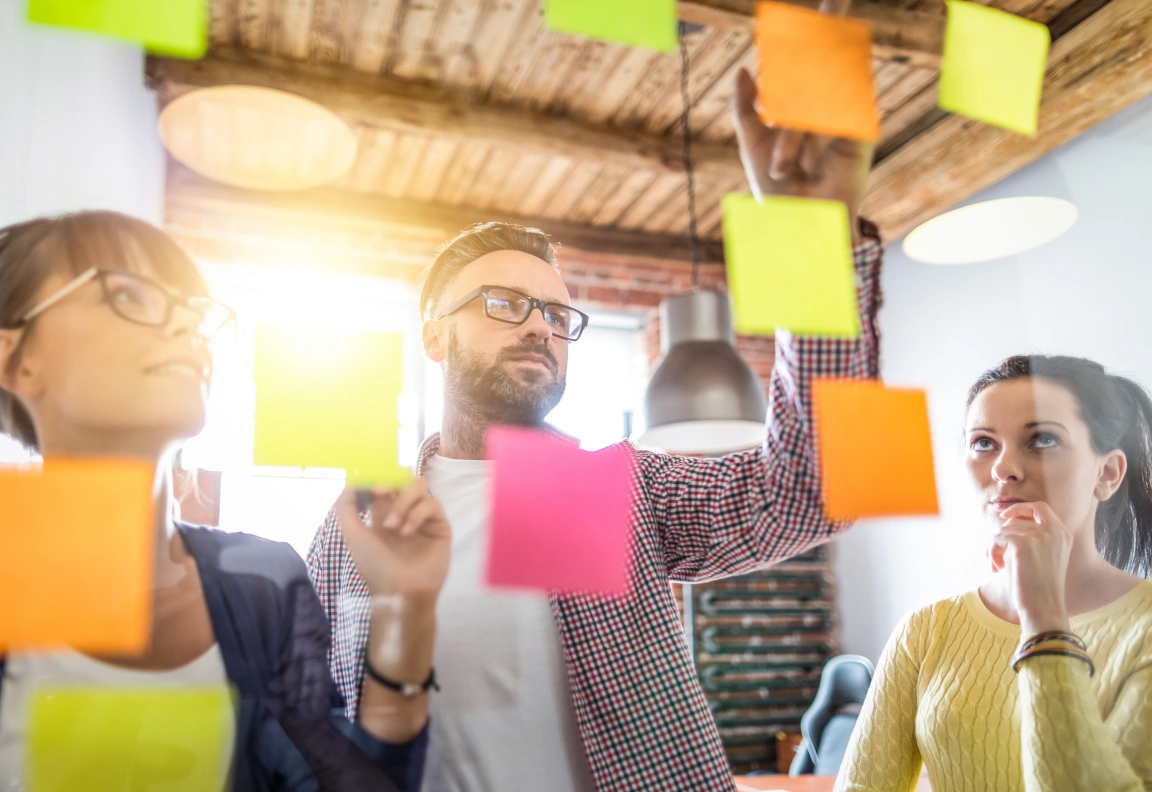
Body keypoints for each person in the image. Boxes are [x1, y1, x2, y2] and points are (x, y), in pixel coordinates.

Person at [305, 31, 885, 792]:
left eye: (557, 314)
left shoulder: (602, 491)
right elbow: (319, 726)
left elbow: (817, 488)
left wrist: (815, 247)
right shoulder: (361, 526)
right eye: (507, 303)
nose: (541, 326)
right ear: (434, 335)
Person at [0, 211, 451, 791]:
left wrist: (406, 612)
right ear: (16, 359)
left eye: (193, 308)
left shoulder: (264, 585)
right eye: (129, 293)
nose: (187, 322)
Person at [836, 355, 1152, 792]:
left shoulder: (1145, 629)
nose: (1004, 468)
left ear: (1108, 473)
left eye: (1042, 439)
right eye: (984, 443)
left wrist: (1043, 620)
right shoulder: (926, 631)